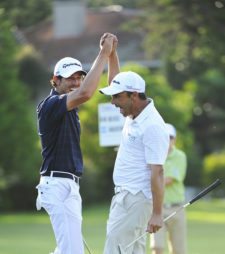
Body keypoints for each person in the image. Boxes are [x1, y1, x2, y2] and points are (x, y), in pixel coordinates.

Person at [35, 33, 116, 254]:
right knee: (72, 251)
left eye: (79, 77)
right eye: (70, 78)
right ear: (56, 80)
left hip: (69, 185)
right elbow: (87, 92)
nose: (76, 82)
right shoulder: (50, 105)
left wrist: (112, 55)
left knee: (67, 250)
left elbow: (112, 90)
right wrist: (103, 53)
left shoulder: (70, 108)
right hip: (56, 184)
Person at [99, 70, 170, 254]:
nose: (113, 102)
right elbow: (115, 79)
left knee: (115, 249)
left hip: (135, 198)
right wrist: (111, 54)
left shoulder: (152, 125)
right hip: (128, 197)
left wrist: (157, 213)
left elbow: (158, 172)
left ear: (135, 96)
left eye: (117, 97)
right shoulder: (133, 115)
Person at [150, 123, 187, 254]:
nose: (167, 140)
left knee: (178, 249)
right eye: (164, 137)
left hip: (177, 208)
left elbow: (168, 180)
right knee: (157, 247)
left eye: (170, 137)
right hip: (158, 208)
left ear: (175, 139)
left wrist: (154, 180)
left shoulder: (180, 156)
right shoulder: (153, 155)